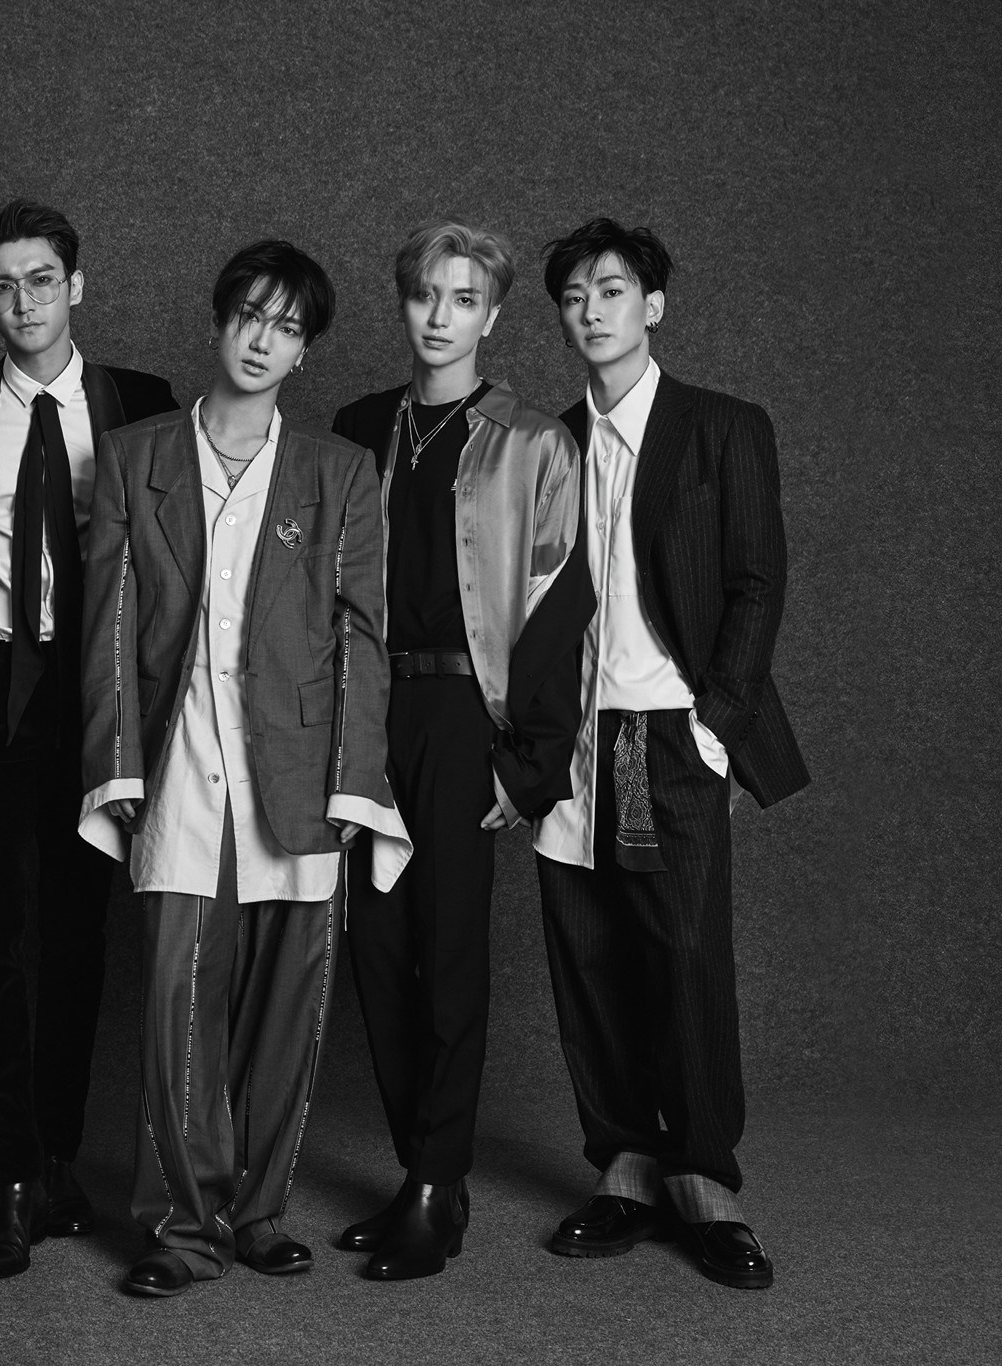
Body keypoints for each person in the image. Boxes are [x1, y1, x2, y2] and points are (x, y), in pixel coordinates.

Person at [77, 240, 408, 1298]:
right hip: (178, 765)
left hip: (302, 772)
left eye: (287, 328)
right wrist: (115, 766)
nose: (264, 341)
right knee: (176, 1004)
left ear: (304, 351)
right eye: (250, 317)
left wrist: (355, 778)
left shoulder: (339, 471)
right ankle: (181, 1227)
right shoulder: (132, 456)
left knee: (286, 1007)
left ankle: (257, 1212)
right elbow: (109, 621)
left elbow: (363, 637)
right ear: (218, 322)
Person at [532, 217, 809, 1290]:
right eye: (572, 297)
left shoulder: (720, 428)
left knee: (680, 954)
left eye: (611, 291)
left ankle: (703, 1178)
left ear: (652, 305)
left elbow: (756, 580)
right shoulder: (549, 441)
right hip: (572, 738)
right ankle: (625, 1166)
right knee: (587, 952)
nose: (591, 310)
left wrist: (712, 724)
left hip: (663, 734)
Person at [0, 199, 178, 1280]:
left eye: (41, 280)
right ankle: (11, 1178)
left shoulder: (141, 402)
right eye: (2, 285)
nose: (23, 302)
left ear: (76, 286)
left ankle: (60, 1159)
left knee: (78, 936)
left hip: (97, 690)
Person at [329, 221, 593, 1280]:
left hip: (462, 717)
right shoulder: (359, 426)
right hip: (367, 707)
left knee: (445, 952)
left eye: (463, 299)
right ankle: (417, 1169)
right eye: (423, 295)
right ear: (402, 303)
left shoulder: (533, 440)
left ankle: (439, 1186)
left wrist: (526, 763)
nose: (439, 317)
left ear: (492, 315)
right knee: (375, 947)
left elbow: (560, 609)